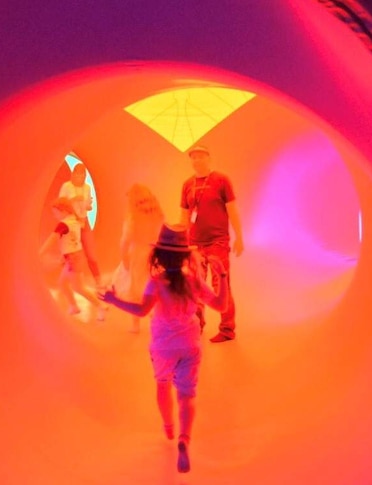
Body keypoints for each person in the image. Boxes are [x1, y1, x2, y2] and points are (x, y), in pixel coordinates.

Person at [99, 224, 228, 474]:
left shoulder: (156, 282)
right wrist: (221, 276)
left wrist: (114, 301)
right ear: (185, 256)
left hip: (162, 346)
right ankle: (184, 439)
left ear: (158, 255)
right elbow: (222, 306)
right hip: (190, 344)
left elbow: (142, 310)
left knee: (162, 385)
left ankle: (169, 426)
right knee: (186, 395)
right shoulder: (193, 281)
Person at [179, 145, 244, 343]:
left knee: (221, 285)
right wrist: (181, 242)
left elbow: (232, 210)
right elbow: (184, 215)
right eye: (193, 157)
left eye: (200, 156)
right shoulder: (187, 184)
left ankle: (227, 329)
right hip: (195, 244)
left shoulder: (222, 180)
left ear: (209, 158)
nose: (196, 160)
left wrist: (239, 236)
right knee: (195, 287)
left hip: (218, 242)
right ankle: (196, 326)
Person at [39, 197, 107, 320]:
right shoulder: (74, 221)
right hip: (74, 257)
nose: (55, 216)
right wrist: (63, 257)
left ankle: (100, 306)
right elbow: (69, 241)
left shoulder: (63, 224)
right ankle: (74, 306)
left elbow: (52, 239)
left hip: (73, 259)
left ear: (64, 210)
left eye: (56, 212)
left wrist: (40, 252)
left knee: (78, 287)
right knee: (63, 284)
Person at [118, 183, 165, 334]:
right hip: (156, 253)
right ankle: (156, 317)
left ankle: (135, 324)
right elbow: (163, 231)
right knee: (154, 286)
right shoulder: (157, 214)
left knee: (136, 287)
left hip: (138, 254)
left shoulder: (133, 217)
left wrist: (124, 256)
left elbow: (125, 241)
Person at [59, 163, 103, 287]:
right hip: (71, 224)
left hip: (84, 222)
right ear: (73, 174)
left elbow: (87, 205)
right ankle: (70, 284)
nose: (80, 177)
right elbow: (60, 204)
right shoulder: (66, 186)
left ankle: (98, 280)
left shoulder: (87, 187)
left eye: (82, 175)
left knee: (91, 253)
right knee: (72, 255)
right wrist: (73, 200)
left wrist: (88, 206)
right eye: (78, 174)